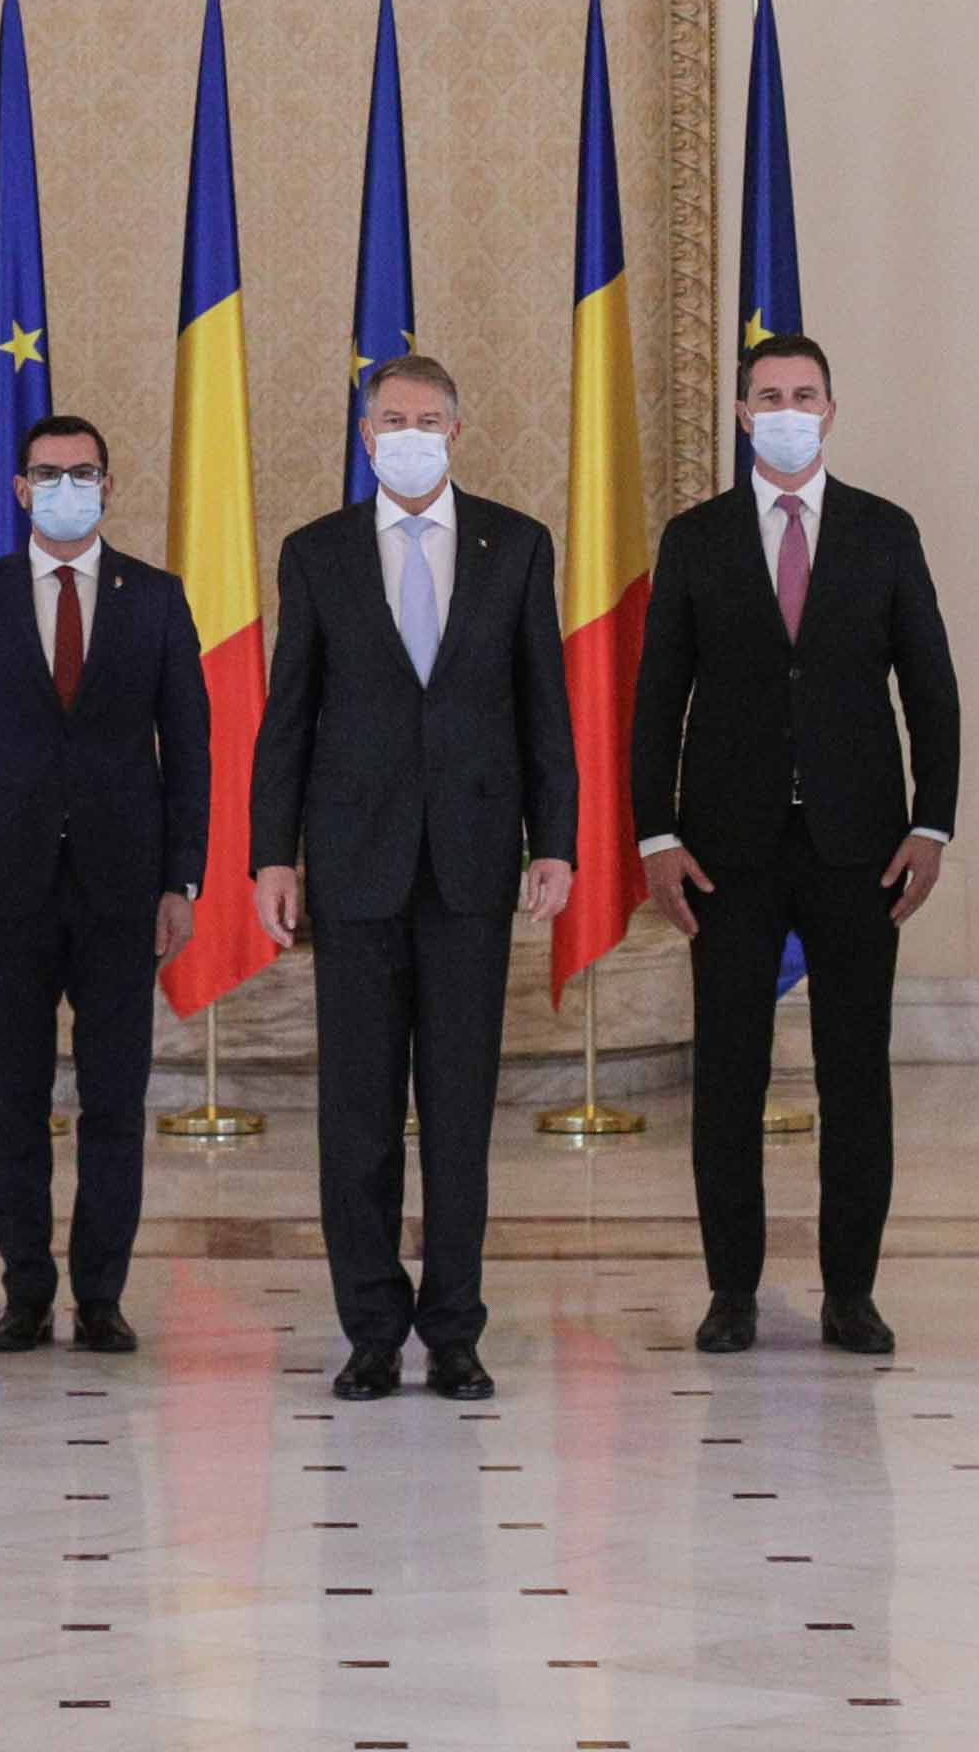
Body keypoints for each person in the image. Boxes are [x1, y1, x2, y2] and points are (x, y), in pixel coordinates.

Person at [249, 346, 572, 1404]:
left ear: (457, 433)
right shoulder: (318, 552)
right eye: (393, 420)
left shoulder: (516, 545)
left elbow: (545, 707)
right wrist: (272, 854)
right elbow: (288, 715)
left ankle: (457, 1331)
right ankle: (373, 1331)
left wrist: (556, 841)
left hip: (473, 865)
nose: (411, 436)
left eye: (429, 420)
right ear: (365, 435)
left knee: (461, 1114)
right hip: (355, 868)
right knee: (358, 1117)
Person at [627, 330, 957, 1356]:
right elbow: (657, 698)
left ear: (830, 411)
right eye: (767, 396)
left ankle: (850, 1292)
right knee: (728, 1075)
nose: (786, 411)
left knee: (857, 1076)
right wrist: (656, 832)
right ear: (742, 415)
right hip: (727, 849)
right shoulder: (696, 538)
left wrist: (932, 822)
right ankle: (732, 1290)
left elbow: (932, 687)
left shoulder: (884, 531)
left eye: (803, 395)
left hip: (862, 847)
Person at [0, 407, 207, 1354]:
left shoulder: (155, 597)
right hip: (4, 888)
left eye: (83, 473)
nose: (67, 488)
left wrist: (183, 879)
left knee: (115, 1103)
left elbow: (189, 747)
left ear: (109, 486)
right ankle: (26, 1293)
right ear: (20, 489)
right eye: (49, 474)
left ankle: (102, 1295)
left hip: (125, 888)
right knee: (16, 1102)